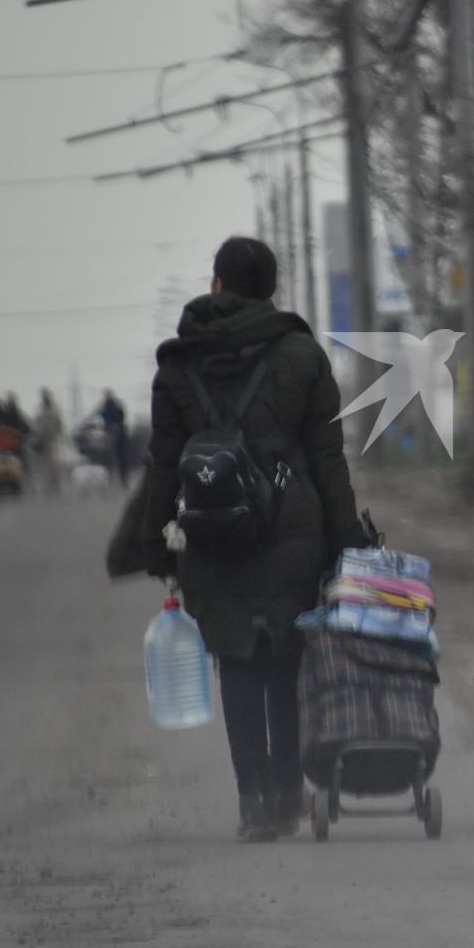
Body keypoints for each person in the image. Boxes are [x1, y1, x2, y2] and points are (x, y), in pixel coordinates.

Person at [141, 236, 368, 842]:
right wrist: (349, 538)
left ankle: (253, 800)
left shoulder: (178, 365)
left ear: (217, 284)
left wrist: (160, 547)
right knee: (287, 662)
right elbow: (327, 457)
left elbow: (165, 466)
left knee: (237, 663)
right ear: (269, 289)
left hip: (211, 529)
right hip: (293, 526)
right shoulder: (301, 354)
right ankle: (289, 794)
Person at [33, 390, 65, 495]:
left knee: (54, 462)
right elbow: (38, 425)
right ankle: (49, 484)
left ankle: (56, 484)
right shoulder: (41, 411)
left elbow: (59, 424)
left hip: (53, 440)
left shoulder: (54, 411)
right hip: (44, 440)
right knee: (46, 464)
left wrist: (59, 435)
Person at [99, 390, 131, 487]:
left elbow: (121, 417)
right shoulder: (108, 408)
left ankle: (122, 479)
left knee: (120, 459)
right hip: (112, 436)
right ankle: (113, 480)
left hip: (118, 435)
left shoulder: (114, 407)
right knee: (112, 459)